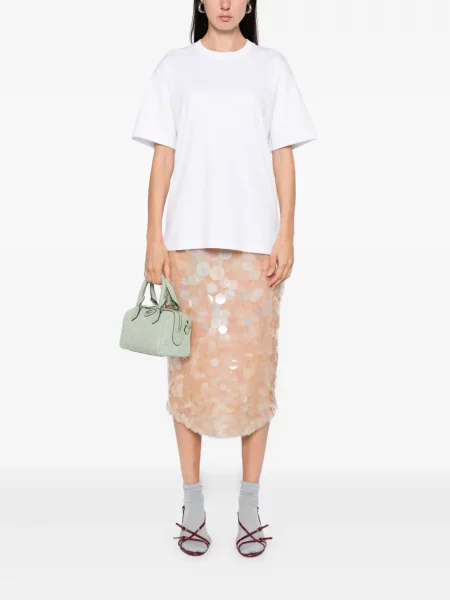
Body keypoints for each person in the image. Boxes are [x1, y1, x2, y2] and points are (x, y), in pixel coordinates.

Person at [130, 0, 317, 558]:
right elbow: (163, 157)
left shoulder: (271, 67)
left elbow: (283, 156)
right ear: (201, 2)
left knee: (255, 377)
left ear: (251, 2)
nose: (227, 3)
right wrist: (153, 237)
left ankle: (249, 504)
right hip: (187, 244)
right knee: (188, 375)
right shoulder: (174, 67)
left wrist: (286, 234)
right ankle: (192, 502)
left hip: (256, 248)